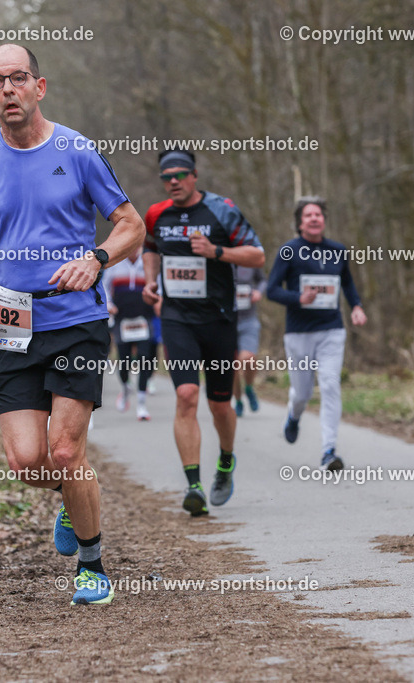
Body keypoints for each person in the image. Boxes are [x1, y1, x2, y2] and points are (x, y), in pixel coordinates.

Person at [0, 44, 144, 605]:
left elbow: (131, 225)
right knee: (26, 461)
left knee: (65, 452)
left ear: (39, 87)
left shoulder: (78, 151)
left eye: (18, 78)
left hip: (75, 318)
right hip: (12, 321)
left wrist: (96, 259)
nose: (9, 89)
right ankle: (73, 494)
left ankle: (92, 566)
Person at [142, 149, 264, 515]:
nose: (173, 181)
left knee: (220, 405)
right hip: (177, 318)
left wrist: (216, 251)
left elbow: (257, 255)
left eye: (180, 175)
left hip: (219, 320)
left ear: (194, 176)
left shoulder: (222, 210)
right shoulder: (156, 214)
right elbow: (149, 247)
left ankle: (226, 461)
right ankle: (193, 484)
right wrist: (150, 281)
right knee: (186, 394)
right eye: (167, 177)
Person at [266, 196, 367, 471]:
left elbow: (347, 283)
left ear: (324, 220)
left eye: (318, 214)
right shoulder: (289, 250)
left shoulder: (337, 250)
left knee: (331, 385)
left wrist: (357, 306)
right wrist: (298, 298)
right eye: (308, 215)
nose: (314, 218)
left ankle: (328, 451)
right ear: (300, 222)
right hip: (299, 333)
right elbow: (271, 290)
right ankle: (294, 415)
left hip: (331, 330)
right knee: (303, 393)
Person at [103, 245, 156, 421]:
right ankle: (125, 388)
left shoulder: (148, 265)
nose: (133, 250)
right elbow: (104, 288)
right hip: (122, 319)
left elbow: (158, 288)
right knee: (124, 361)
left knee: (144, 358)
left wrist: (156, 301)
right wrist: (109, 305)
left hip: (143, 318)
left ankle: (141, 404)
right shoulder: (115, 265)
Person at [233, 265, 266, 416]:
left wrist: (258, 291)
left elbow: (263, 280)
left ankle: (249, 387)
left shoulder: (249, 258)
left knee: (249, 358)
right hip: (227, 321)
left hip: (248, 320)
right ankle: (238, 401)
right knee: (231, 367)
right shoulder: (219, 256)